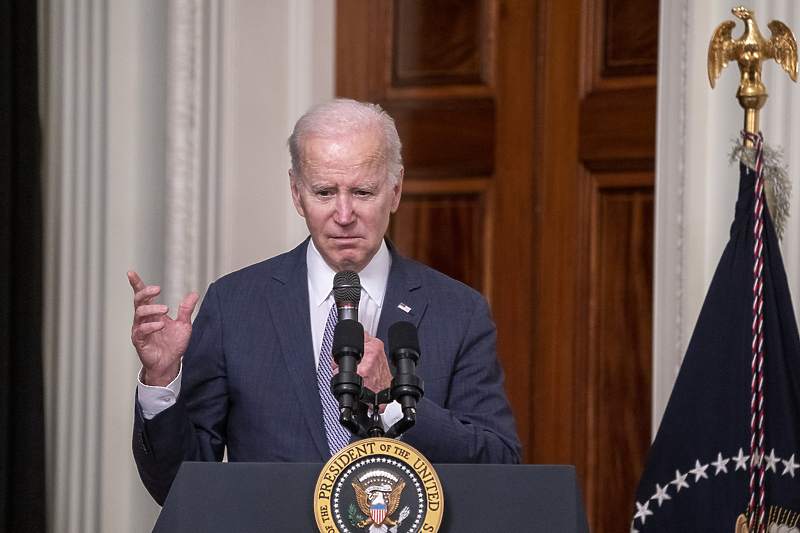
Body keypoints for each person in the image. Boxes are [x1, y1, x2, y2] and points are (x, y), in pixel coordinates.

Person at [128, 99, 520, 505]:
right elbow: (179, 488)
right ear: (297, 194)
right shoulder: (235, 305)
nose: (344, 214)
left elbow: (499, 465)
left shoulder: (458, 310)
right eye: (324, 192)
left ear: (396, 189)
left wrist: (391, 398)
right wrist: (161, 379)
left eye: (363, 191)